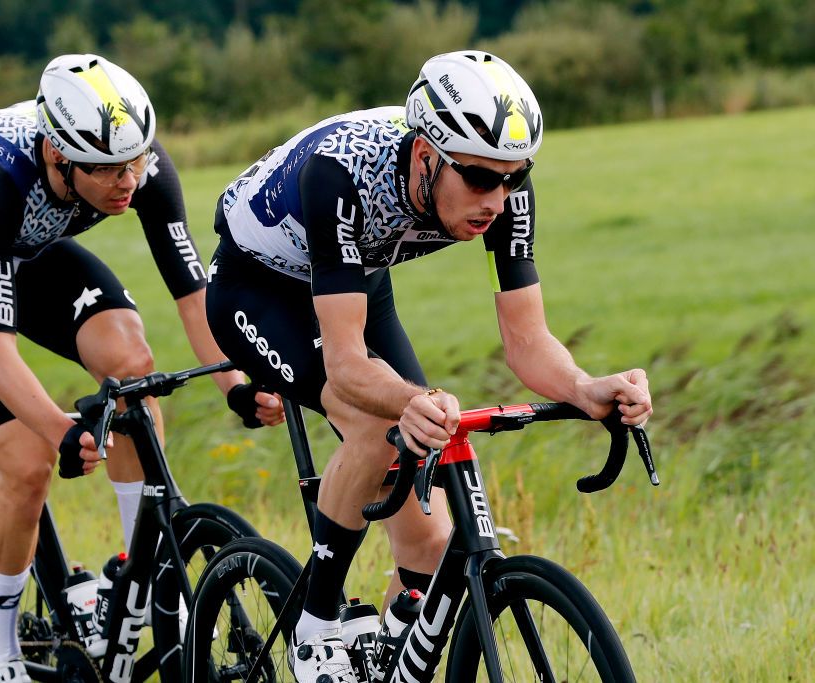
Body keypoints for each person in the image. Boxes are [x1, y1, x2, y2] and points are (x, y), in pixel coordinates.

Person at [205, 50, 653, 683]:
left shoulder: (496, 187)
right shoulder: (343, 172)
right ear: (424, 156)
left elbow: (527, 340)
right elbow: (347, 370)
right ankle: (315, 627)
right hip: (258, 286)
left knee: (432, 540)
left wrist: (584, 387)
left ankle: (386, 660)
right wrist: (405, 402)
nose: (496, 199)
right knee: (371, 426)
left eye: (513, 178)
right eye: (476, 177)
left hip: (355, 276)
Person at [0, 54, 282, 682]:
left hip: (31, 252)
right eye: (107, 171)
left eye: (136, 161)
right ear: (56, 155)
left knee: (130, 362)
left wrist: (236, 383)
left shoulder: (140, 167)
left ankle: (138, 568)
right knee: (27, 462)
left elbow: (194, 297)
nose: (128, 181)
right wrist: (60, 430)